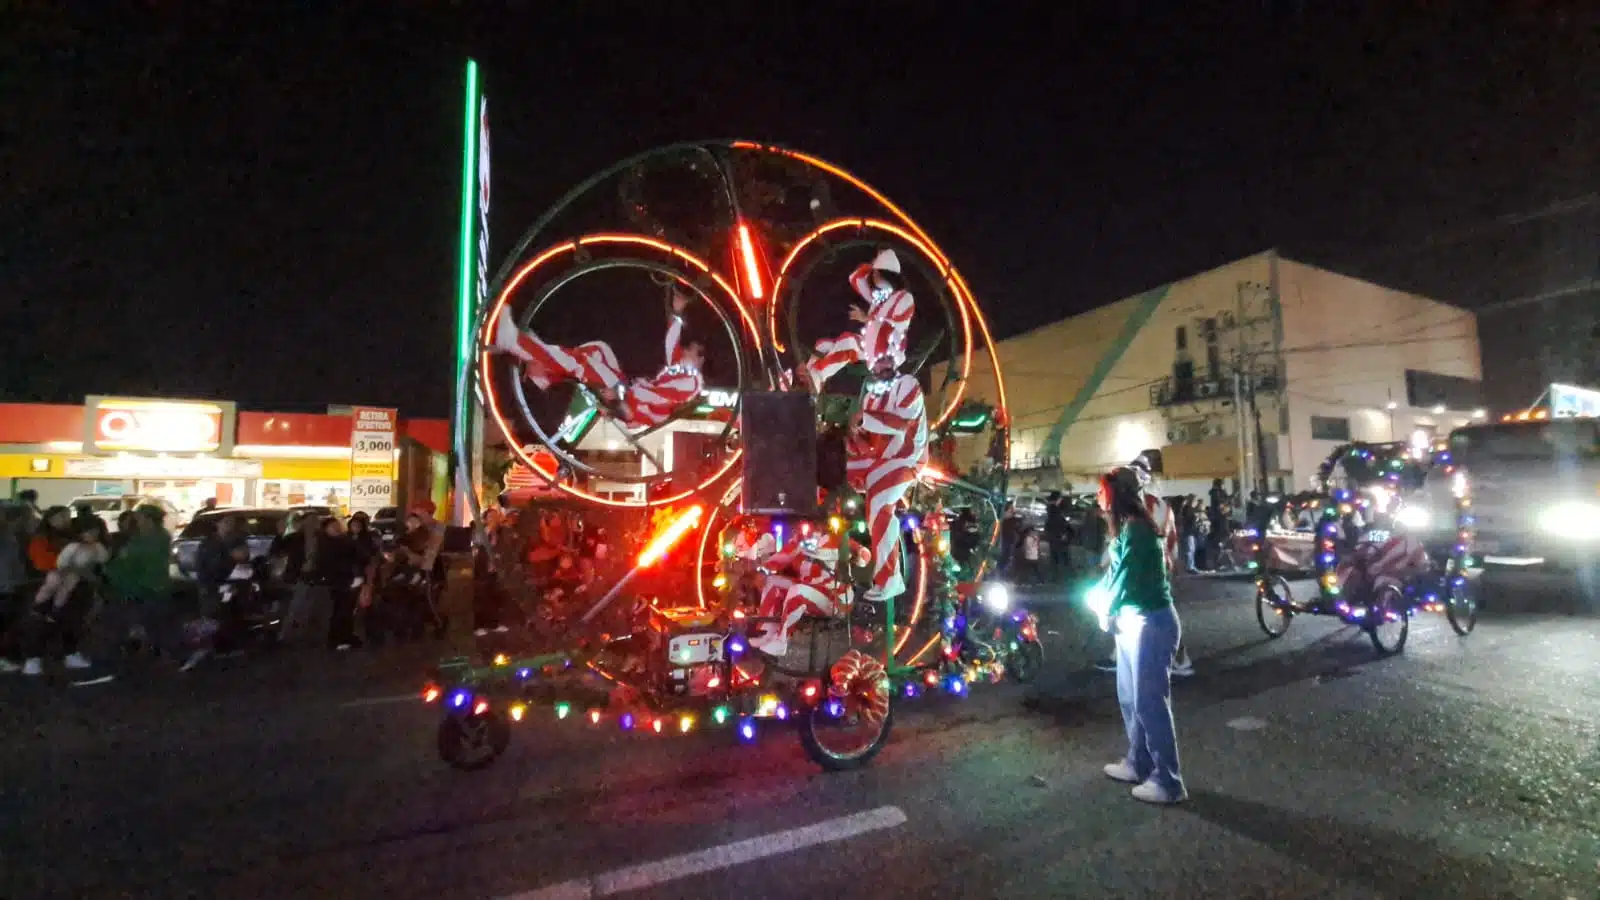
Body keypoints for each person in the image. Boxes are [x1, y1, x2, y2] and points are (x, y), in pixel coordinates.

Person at [1094, 468, 1187, 805]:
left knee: (1150, 703)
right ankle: (1139, 762)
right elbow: (1114, 574)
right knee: (1131, 699)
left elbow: (1126, 578)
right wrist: (1102, 598)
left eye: (1101, 492)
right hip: (1133, 623)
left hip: (1151, 622)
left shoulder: (1137, 529)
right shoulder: (1125, 529)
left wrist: (1107, 607)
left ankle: (1169, 781)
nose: (1097, 499)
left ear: (1115, 494)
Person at [491, 291, 705, 430]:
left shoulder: (691, 382)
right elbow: (671, 345)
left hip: (628, 403)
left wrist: (621, 395)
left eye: (691, 351)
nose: (684, 351)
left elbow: (656, 398)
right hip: (628, 397)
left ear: (700, 360)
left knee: (584, 364)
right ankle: (546, 372)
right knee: (598, 350)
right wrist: (677, 312)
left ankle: (515, 342)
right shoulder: (680, 375)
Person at [846, 346, 928, 602]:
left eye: (886, 360)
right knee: (835, 467)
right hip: (881, 459)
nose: (881, 366)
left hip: (907, 456)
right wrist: (855, 437)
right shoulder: (871, 397)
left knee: (879, 501)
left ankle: (891, 579)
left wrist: (864, 419)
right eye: (876, 361)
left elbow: (900, 423)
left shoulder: (908, 385)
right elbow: (869, 439)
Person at [802, 250, 915, 390]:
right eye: (874, 274)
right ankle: (809, 378)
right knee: (822, 344)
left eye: (877, 274)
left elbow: (897, 323)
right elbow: (855, 277)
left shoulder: (903, 297)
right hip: (868, 344)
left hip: (886, 352)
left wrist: (866, 318)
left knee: (847, 341)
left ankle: (817, 377)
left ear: (887, 275)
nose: (873, 277)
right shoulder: (879, 298)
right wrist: (874, 264)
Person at [23, 513, 109, 676]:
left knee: (73, 622)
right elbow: (55, 564)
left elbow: (101, 561)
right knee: (45, 623)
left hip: (80, 587)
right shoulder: (53, 541)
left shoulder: (92, 546)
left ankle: (69, 653)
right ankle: (34, 658)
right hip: (57, 585)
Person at [749, 527, 850, 657]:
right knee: (771, 581)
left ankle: (781, 640)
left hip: (831, 595)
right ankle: (767, 633)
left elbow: (860, 553)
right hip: (807, 586)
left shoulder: (838, 538)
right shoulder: (801, 538)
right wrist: (763, 571)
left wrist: (860, 556)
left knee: (798, 591)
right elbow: (782, 557)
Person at [100, 504, 176, 677]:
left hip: (144, 588)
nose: (137, 521)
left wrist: (110, 569)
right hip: (149, 587)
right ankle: (155, 655)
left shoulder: (150, 540)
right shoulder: (156, 537)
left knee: (147, 622)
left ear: (149, 519)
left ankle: (151, 657)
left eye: (140, 518)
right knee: (153, 624)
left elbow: (132, 563)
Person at [311, 516, 361, 650]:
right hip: (336, 581)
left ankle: (345, 636)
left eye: (337, 526)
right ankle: (339, 638)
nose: (336, 528)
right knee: (339, 610)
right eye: (332, 526)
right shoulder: (326, 544)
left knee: (346, 609)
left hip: (345, 579)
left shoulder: (343, 541)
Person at [1045, 492, 1075, 581]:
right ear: (1057, 499)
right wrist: (1063, 534)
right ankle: (1066, 577)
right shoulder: (1055, 511)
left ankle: (1056, 577)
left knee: (1055, 558)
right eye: (1060, 498)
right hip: (1059, 539)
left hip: (1054, 538)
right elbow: (1058, 524)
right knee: (1063, 557)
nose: (1061, 500)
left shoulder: (1051, 510)